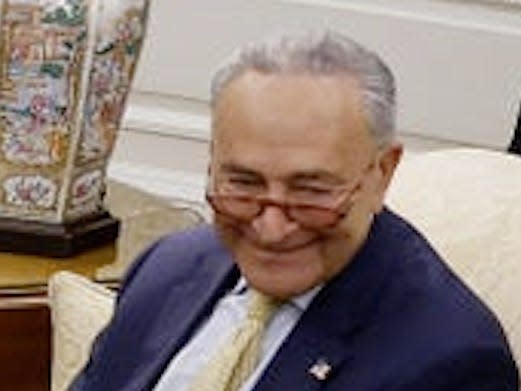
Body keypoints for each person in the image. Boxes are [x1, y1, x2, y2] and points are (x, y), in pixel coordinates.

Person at [71, 30, 519, 390]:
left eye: (310, 192)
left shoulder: (450, 360)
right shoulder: (166, 268)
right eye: (243, 184)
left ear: (382, 173)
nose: (271, 227)